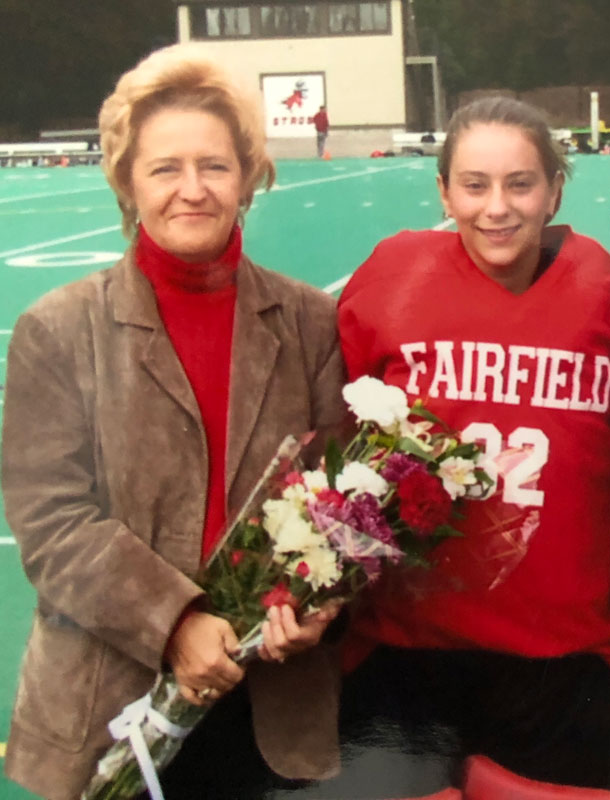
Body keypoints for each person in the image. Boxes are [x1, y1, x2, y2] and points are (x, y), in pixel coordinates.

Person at [1, 44, 347, 800]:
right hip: (110, 710)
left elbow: (339, 504)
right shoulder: (57, 331)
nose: (191, 190)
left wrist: (318, 604)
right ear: (128, 181)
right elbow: (52, 521)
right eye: (164, 169)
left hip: (272, 709)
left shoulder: (310, 322)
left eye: (214, 166)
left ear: (248, 176)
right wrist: (174, 620)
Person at [326, 96, 610, 797]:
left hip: (558, 653)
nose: (496, 207)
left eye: (520, 183)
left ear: (555, 188)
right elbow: (332, 434)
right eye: (473, 184)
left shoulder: (607, 292)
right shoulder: (390, 276)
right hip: (405, 650)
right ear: (442, 191)